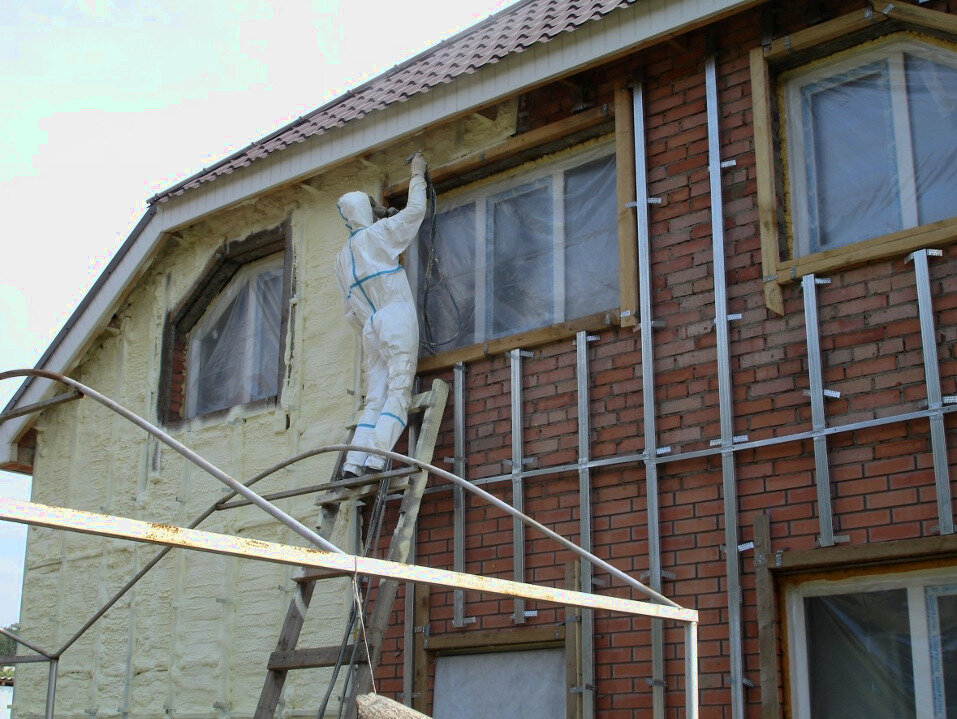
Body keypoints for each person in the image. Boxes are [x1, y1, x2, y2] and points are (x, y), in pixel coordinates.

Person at [333, 152, 428, 478]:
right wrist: (417, 173)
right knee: (399, 391)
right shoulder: (378, 235)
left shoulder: (342, 259)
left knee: (375, 397)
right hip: (395, 315)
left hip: (369, 325)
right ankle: (375, 458)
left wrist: (369, 326)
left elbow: (349, 310)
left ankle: (352, 463)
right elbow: (415, 211)